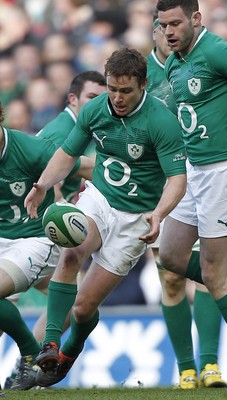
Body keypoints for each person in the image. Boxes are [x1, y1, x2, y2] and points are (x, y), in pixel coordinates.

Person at [25, 46, 187, 387]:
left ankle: (69, 352)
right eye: (112, 89)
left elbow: (177, 179)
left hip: (136, 219)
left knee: (84, 309)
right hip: (99, 199)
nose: (117, 97)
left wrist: (160, 213)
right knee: (70, 252)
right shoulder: (97, 109)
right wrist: (42, 185)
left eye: (125, 91)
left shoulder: (161, 122)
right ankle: (49, 345)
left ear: (142, 85)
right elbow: (68, 153)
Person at [4, 70, 107, 390]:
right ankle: (28, 370)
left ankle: (30, 357)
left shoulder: (31, 149)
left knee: (76, 306)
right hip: (8, 239)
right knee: (77, 306)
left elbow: (73, 169)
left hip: (35, 237)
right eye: (93, 97)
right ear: (73, 99)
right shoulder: (60, 132)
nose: (101, 104)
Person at [146, 12, 225, 389]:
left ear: (194, 19)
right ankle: (186, 368)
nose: (169, 32)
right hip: (180, 176)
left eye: (175, 24)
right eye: (163, 26)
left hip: (218, 171)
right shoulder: (161, 69)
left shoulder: (213, 51)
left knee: (212, 277)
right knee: (172, 263)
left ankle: (207, 365)